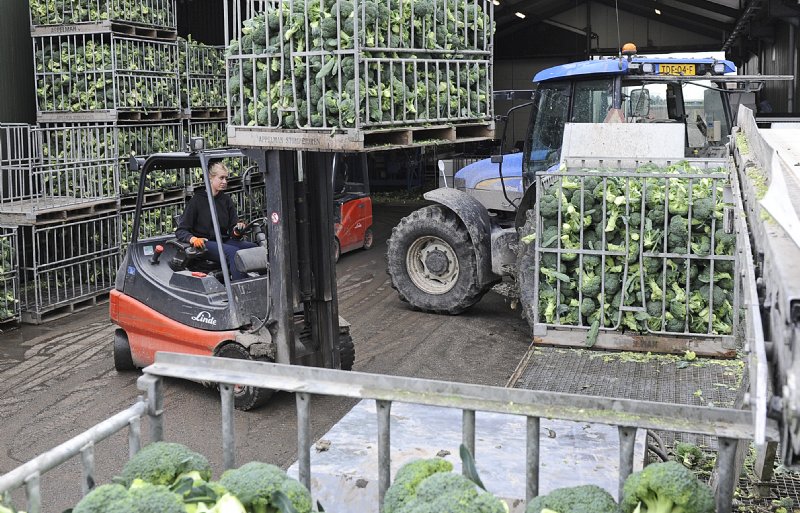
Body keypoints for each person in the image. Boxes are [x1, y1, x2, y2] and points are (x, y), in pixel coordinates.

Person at [176, 161, 257, 281]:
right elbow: (181, 230)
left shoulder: (226, 200)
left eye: (226, 178)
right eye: (221, 178)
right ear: (210, 178)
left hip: (224, 240)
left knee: (254, 248)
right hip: (205, 243)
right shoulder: (197, 201)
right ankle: (241, 289)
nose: (225, 182)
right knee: (234, 253)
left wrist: (237, 231)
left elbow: (233, 230)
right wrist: (193, 239)